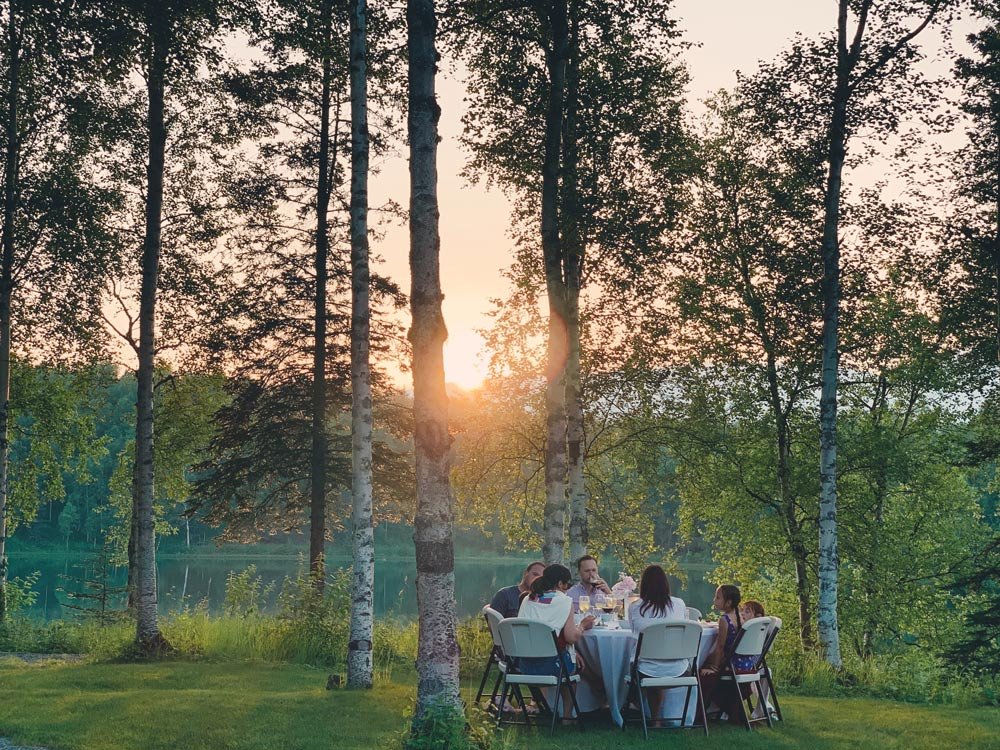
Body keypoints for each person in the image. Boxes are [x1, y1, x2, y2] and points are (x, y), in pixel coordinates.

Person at [517, 564, 596, 716]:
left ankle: (546, 709)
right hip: (550, 665)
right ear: (560, 584)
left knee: (570, 658)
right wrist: (583, 626)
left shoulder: (529, 598)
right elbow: (571, 637)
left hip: (525, 665)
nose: (567, 589)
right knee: (572, 671)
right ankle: (567, 716)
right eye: (567, 585)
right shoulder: (564, 601)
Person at [627, 565, 689, 726]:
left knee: (634, 665)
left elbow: (634, 634)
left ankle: (644, 712)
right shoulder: (679, 604)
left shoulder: (635, 607)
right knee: (656, 663)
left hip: (647, 669)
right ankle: (666, 717)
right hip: (678, 667)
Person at [699, 584, 756, 723]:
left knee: (702, 675)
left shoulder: (725, 620)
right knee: (706, 664)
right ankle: (721, 710)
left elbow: (720, 647)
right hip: (747, 665)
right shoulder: (742, 617)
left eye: (718, 598)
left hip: (733, 666)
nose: (714, 600)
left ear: (728, 602)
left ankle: (704, 713)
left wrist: (714, 668)